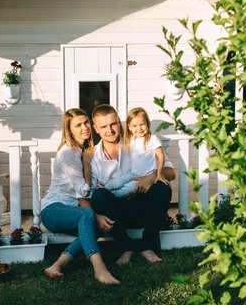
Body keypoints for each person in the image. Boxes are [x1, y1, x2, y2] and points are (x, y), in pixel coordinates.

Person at [40, 108, 119, 284]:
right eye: (78, 125)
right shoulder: (68, 153)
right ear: (69, 130)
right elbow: (83, 191)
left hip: (72, 211)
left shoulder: (81, 150)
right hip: (53, 210)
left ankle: (56, 265)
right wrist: (86, 163)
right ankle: (99, 268)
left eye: (85, 122)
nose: (85, 127)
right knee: (89, 216)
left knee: (95, 226)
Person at [89, 104, 175, 265]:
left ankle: (147, 245)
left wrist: (151, 177)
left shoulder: (140, 142)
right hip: (116, 216)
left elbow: (171, 173)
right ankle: (125, 247)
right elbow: (91, 193)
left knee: (162, 188)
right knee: (100, 195)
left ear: (120, 123)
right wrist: (96, 215)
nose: (110, 130)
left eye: (113, 124)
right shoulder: (93, 157)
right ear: (96, 129)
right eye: (103, 126)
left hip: (144, 207)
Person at [103, 107, 167, 197]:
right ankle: (103, 189)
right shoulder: (131, 140)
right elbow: (121, 133)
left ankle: (114, 195)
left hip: (146, 175)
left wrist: (159, 174)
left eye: (142, 124)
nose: (139, 128)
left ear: (147, 124)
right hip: (133, 173)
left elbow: (161, 156)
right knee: (116, 182)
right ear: (129, 127)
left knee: (130, 187)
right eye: (135, 126)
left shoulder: (152, 139)